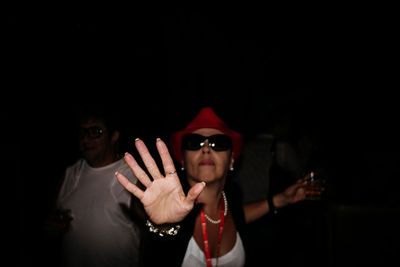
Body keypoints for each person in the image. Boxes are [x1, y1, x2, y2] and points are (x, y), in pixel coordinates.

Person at [116, 107, 309, 266]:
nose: (206, 148)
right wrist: (163, 226)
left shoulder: (232, 195)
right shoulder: (171, 205)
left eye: (219, 142)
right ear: (182, 159)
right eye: (194, 142)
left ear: (231, 160)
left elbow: (237, 216)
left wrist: (280, 199)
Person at [54, 106, 142, 267]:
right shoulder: (70, 173)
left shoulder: (132, 174)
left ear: (113, 136)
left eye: (95, 132)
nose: (86, 140)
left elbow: (152, 232)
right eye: (82, 133)